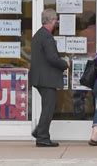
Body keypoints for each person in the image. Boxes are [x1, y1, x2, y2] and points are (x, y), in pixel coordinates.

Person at [30, 9, 69, 147]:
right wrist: (65, 64)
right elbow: (52, 58)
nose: (57, 23)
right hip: (46, 79)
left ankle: (40, 132)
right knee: (49, 107)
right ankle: (42, 137)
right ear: (52, 20)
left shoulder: (38, 35)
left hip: (40, 78)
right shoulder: (47, 37)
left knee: (48, 106)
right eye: (56, 20)